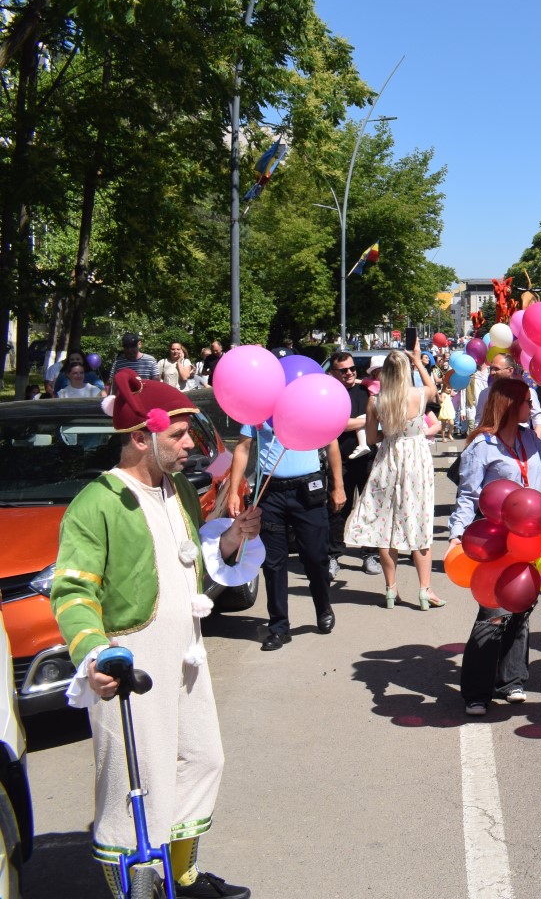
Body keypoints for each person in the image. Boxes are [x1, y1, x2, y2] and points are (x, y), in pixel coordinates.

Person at [52, 369, 258, 899]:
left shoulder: (179, 489)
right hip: (129, 657)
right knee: (134, 778)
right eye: (180, 435)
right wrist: (95, 655)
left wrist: (230, 540)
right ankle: (134, 889)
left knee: (203, 759)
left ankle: (181, 875)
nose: (191, 445)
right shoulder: (97, 502)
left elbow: (188, 563)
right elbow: (72, 592)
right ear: (142, 437)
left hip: (186, 653)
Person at [449, 378, 541, 715]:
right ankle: (476, 692)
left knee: (522, 605)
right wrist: (456, 534)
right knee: (493, 611)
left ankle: (511, 680)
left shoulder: (528, 439)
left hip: (532, 539)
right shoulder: (482, 446)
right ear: (509, 405)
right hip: (496, 538)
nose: (532, 408)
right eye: (526, 402)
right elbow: (468, 495)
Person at [227, 383, 344, 651]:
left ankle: (323, 607)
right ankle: (279, 626)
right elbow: (243, 448)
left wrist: (338, 485)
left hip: (307, 490)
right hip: (271, 492)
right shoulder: (258, 407)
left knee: (315, 556)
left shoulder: (309, 404)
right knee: (273, 563)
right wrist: (234, 491)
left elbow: (331, 443)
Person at [344, 348, 440, 609]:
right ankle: (425, 590)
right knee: (419, 521)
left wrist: (389, 434)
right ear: (406, 372)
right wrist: (418, 361)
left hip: (388, 459)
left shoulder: (376, 401)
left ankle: (390, 589)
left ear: (384, 373)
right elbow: (433, 388)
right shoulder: (419, 395)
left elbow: (371, 438)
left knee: (386, 525)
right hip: (416, 460)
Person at [327, 351, 381, 577]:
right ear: (333, 372)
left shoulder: (366, 390)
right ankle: (332, 555)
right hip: (340, 459)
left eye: (352, 369)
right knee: (338, 507)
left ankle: (370, 553)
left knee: (371, 507)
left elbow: (382, 416)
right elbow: (334, 424)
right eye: (343, 370)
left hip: (369, 458)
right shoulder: (329, 394)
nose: (349, 373)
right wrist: (366, 421)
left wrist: (354, 422)